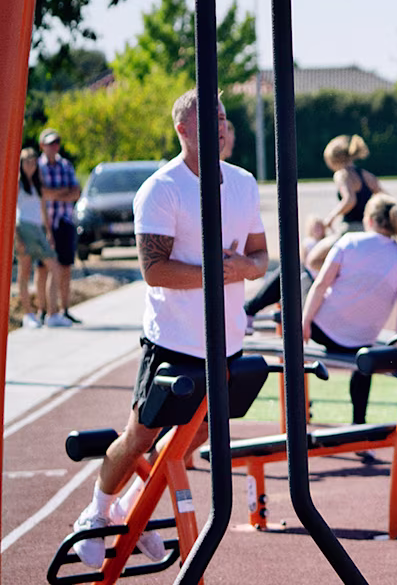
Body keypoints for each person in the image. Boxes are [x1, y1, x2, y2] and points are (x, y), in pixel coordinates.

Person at [70, 91, 267, 568]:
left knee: (194, 439)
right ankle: (95, 514)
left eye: (223, 117)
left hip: (227, 343)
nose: (219, 126)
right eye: (208, 119)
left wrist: (244, 266)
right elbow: (154, 269)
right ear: (183, 129)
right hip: (173, 341)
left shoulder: (242, 183)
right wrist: (217, 273)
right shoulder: (162, 189)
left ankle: (128, 509)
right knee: (141, 435)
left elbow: (260, 258)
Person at [302, 195, 397, 436]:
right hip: (362, 340)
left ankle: (250, 311)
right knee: (362, 362)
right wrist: (396, 348)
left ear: (368, 220)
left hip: (321, 330)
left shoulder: (350, 241)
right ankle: (359, 422)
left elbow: (321, 284)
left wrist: (304, 322)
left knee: (297, 272)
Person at [307, 135, 383, 272]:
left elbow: (350, 200)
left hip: (350, 230)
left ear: (332, 160)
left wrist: (330, 218)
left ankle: (344, 279)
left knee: (313, 260)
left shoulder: (341, 174)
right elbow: (384, 197)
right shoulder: (366, 175)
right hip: (369, 230)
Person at [36, 128, 81, 327]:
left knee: (65, 267)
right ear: (42, 146)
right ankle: (43, 310)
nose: (54, 147)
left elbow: (76, 192)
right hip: (44, 223)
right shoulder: (37, 167)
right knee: (43, 268)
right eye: (50, 143)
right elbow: (41, 193)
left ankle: (64, 309)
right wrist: (63, 193)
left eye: (56, 143)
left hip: (64, 221)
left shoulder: (66, 165)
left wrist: (55, 194)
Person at [14, 149, 53, 328]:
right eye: (26, 161)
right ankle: (28, 313)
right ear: (21, 164)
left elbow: (43, 210)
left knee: (53, 266)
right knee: (24, 272)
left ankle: (48, 311)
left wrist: (48, 232)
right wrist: (16, 239)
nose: (30, 165)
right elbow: (12, 211)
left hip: (37, 229)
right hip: (23, 228)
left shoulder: (37, 184)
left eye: (33, 161)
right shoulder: (18, 184)